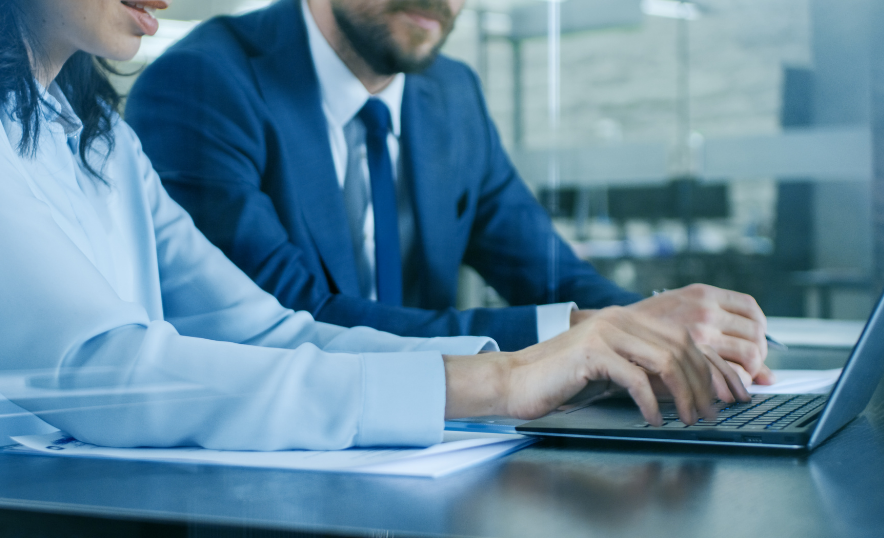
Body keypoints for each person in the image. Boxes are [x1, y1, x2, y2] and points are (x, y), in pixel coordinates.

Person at [0, 0, 748, 455]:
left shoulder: (96, 132)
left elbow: (271, 332)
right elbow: (103, 372)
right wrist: (498, 385)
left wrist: (562, 357)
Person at [124, 0, 776, 387]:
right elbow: (281, 325)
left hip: (438, 455)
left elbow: (548, 274)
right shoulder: (203, 82)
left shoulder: (452, 95)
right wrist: (584, 332)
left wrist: (665, 334)